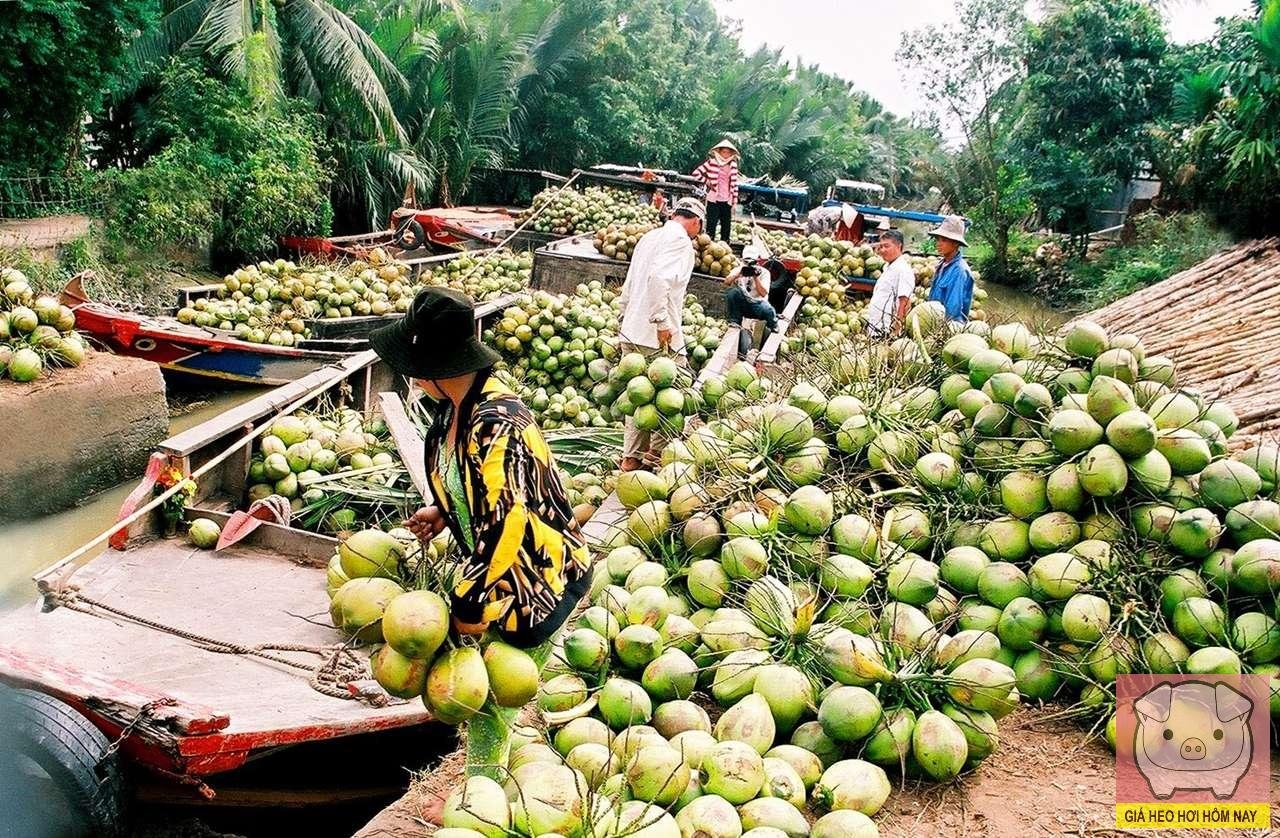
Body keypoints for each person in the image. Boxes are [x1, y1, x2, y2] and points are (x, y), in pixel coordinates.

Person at [369, 288, 592, 648]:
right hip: (497, 578)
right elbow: (481, 487)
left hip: (538, 584)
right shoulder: (453, 409)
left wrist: (467, 602)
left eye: (413, 369)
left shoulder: (497, 422)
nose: (412, 378)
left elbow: (507, 521)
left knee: (492, 696)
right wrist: (447, 510)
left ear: (431, 367)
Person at [616, 197, 705, 471]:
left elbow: (630, 282)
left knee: (639, 398)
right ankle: (656, 457)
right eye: (699, 228)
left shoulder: (650, 237)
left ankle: (631, 458)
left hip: (632, 330)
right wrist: (661, 321)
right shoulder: (680, 241)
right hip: (657, 334)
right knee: (672, 396)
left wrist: (623, 316)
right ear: (696, 221)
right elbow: (658, 279)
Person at [723, 247, 779, 361]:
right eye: (746, 262)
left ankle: (772, 326)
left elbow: (763, 293)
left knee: (768, 311)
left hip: (758, 304)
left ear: (757, 262)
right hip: (744, 305)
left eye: (752, 262)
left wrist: (755, 277)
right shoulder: (739, 270)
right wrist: (738, 275)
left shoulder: (764, 273)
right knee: (732, 292)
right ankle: (735, 322)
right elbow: (726, 282)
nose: (749, 265)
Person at [865, 228, 915, 339]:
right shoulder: (888, 267)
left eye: (887, 246)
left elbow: (904, 300)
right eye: (881, 247)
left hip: (887, 330)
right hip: (876, 327)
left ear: (899, 247)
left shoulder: (903, 269)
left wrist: (897, 327)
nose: (882, 250)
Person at [927, 215, 974, 321]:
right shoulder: (941, 265)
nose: (938, 244)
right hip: (933, 321)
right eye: (938, 240)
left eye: (943, 240)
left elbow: (953, 311)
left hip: (947, 327)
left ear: (956, 243)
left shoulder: (959, 271)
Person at [692, 140, 739, 242]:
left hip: (727, 200)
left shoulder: (733, 165)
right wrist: (707, 181)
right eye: (724, 152)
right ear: (719, 152)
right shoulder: (712, 163)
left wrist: (735, 202)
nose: (726, 155)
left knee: (726, 227)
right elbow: (696, 173)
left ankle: (725, 247)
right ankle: (708, 246)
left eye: (728, 152)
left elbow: (735, 184)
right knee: (711, 226)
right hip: (714, 200)